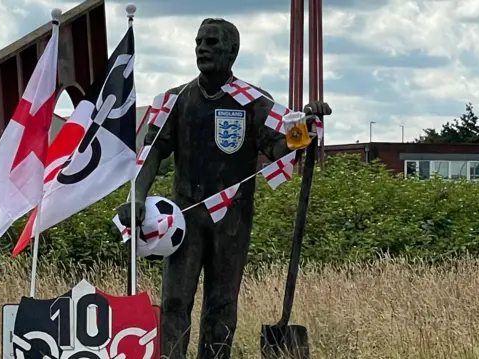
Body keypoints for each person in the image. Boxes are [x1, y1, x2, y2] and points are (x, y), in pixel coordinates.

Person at [116, 17, 332, 359]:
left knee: (221, 303)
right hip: (183, 221)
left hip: (232, 220)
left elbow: (277, 148)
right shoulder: (175, 100)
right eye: (199, 41)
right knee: (174, 301)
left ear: (232, 50)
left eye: (212, 42)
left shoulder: (253, 102)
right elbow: (152, 150)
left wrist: (305, 126)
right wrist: (136, 195)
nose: (203, 48)